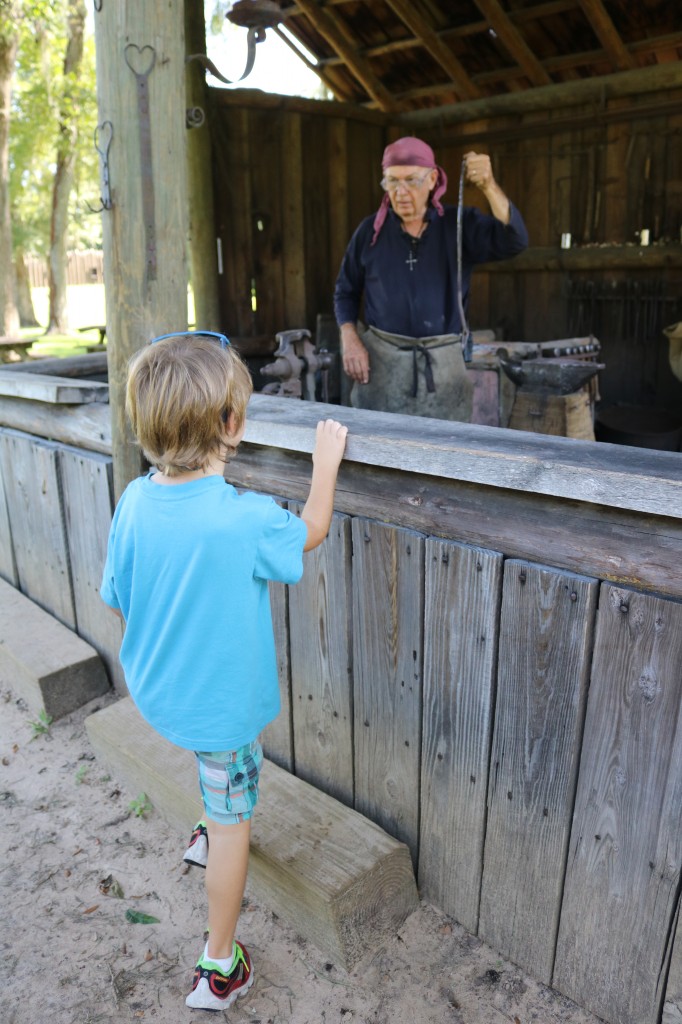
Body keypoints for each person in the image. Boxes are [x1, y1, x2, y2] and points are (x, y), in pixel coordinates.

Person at [100, 330, 348, 1012]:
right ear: (231, 425)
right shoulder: (244, 520)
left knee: (216, 778)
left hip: (160, 692)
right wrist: (325, 462)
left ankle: (211, 825)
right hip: (220, 715)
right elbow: (312, 530)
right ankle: (218, 965)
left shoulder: (133, 501)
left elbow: (117, 597)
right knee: (234, 815)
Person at [334, 136, 528, 419]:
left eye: (411, 180)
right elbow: (345, 291)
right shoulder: (369, 233)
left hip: (443, 367)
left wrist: (488, 185)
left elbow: (515, 240)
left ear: (432, 179)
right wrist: (350, 339)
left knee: (445, 453)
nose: (400, 191)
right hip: (382, 366)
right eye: (392, 181)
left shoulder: (458, 225)